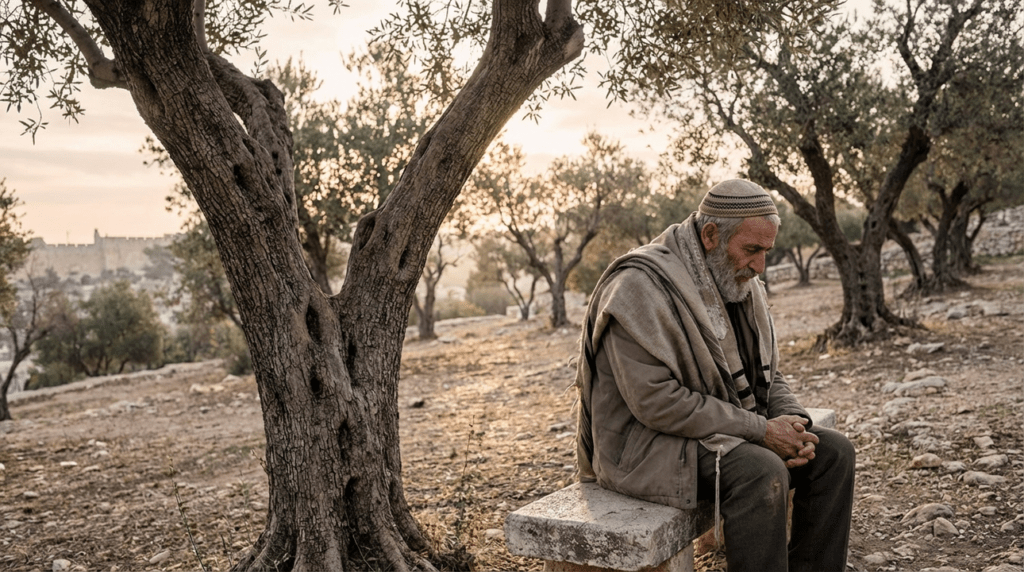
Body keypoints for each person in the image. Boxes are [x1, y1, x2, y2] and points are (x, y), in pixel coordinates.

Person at [574, 179, 855, 572]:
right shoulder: (638, 289)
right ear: (710, 235)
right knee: (761, 471)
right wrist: (761, 430)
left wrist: (794, 423)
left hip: (718, 428)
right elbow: (657, 403)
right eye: (752, 250)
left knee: (834, 453)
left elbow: (768, 374)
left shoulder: (737, 280)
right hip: (647, 446)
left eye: (766, 252)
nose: (760, 267)